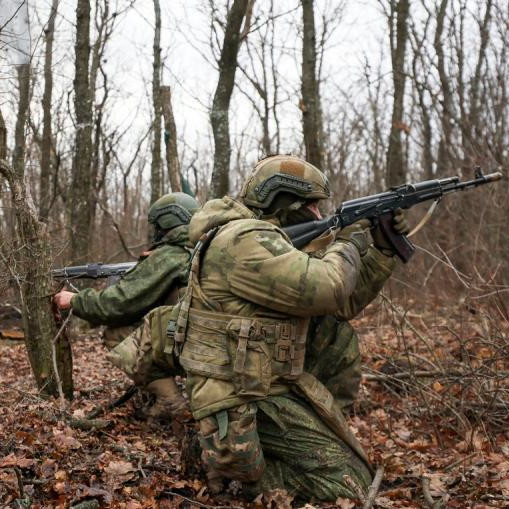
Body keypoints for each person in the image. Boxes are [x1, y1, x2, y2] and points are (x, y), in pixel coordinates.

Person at [174, 155, 408, 501]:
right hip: (236, 393)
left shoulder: (270, 241)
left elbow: (341, 303)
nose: (318, 215)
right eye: (312, 206)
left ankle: (256, 457)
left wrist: (382, 251)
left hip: (263, 381)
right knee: (349, 486)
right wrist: (346, 241)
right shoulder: (242, 241)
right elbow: (329, 287)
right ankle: (217, 459)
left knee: (355, 468)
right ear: (284, 202)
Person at [53, 192, 200, 420]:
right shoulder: (200, 250)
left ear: (166, 222)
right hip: (212, 342)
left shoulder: (171, 256)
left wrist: (74, 300)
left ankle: (170, 402)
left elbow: (117, 304)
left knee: (117, 333)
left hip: (192, 344)